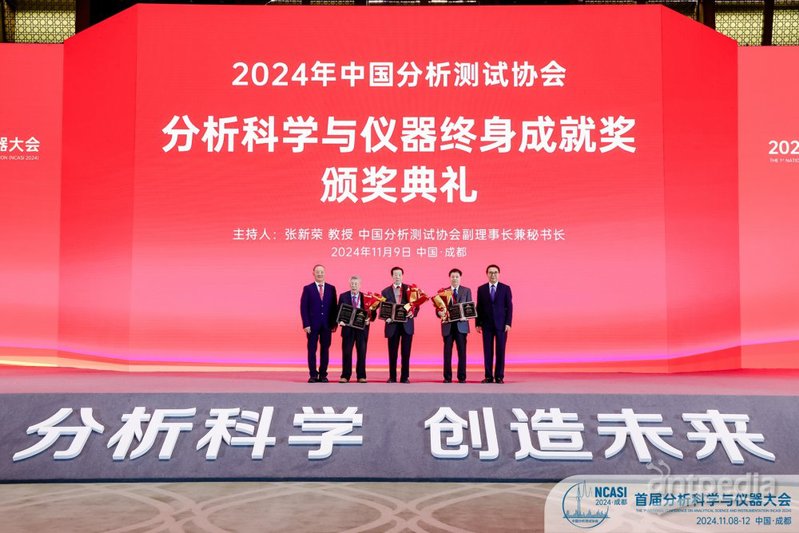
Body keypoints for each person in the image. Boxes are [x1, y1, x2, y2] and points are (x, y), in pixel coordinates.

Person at [475, 264, 513, 384]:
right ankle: (488, 376)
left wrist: (508, 323)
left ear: (499, 274)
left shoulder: (505, 288)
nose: (493, 275)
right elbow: (479, 307)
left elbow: (509, 307)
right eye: (491, 272)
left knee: (500, 351)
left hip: (501, 325)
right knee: (487, 351)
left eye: (495, 272)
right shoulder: (481, 289)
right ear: (487, 274)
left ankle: (499, 376)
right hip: (486, 325)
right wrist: (478, 323)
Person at [300, 264, 337, 383]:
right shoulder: (308, 288)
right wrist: (306, 324)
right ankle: (313, 375)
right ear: (313, 273)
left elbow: (334, 307)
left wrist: (334, 323)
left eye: (322, 272)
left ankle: (323, 375)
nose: (320, 274)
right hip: (312, 325)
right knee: (312, 350)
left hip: (327, 325)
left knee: (325, 350)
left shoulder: (331, 288)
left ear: (325, 273)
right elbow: (303, 307)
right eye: (317, 272)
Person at [381, 266, 418, 383]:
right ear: (392, 276)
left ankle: (404, 377)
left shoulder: (410, 290)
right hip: (392, 325)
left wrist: (413, 312)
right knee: (392, 353)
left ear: (402, 276)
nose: (397, 276)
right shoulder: (385, 291)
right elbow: (383, 309)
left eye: (399, 274)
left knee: (406, 353)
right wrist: (386, 317)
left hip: (407, 325)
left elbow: (416, 305)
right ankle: (392, 377)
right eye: (395, 274)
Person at [437, 268, 471, 383]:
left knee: (462, 352)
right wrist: (439, 313)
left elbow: (470, 308)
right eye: (452, 277)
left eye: (457, 276)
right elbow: (438, 309)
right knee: (447, 353)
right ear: (449, 278)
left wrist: (466, 316)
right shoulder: (443, 292)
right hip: (448, 326)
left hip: (461, 326)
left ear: (460, 278)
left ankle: (462, 377)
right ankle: (447, 377)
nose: (455, 279)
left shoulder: (466, 291)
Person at [337, 275, 374, 383]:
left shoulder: (366, 297)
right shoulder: (343, 296)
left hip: (361, 329)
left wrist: (369, 319)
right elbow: (338, 310)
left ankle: (361, 376)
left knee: (362, 353)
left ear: (360, 285)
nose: (354, 285)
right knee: (347, 353)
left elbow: (372, 312)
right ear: (349, 284)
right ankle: (345, 376)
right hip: (347, 329)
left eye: (356, 284)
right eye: (352, 283)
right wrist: (339, 321)